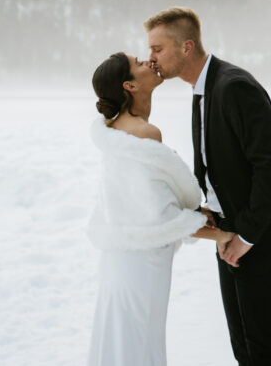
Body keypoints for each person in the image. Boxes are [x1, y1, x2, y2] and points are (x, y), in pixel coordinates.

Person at [145, 8, 271, 366]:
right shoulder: (202, 89)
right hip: (231, 232)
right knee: (244, 346)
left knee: (266, 348)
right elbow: (221, 166)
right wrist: (213, 216)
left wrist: (246, 237)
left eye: (158, 49)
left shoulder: (234, 86)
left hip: (263, 235)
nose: (151, 57)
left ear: (186, 47)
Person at [87, 51, 234, 366]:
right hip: (140, 264)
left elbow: (143, 200)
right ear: (130, 86)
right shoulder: (142, 134)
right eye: (139, 63)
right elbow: (161, 217)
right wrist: (224, 237)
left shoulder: (118, 130)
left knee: (125, 344)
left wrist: (198, 213)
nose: (148, 61)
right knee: (139, 346)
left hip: (122, 261)